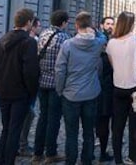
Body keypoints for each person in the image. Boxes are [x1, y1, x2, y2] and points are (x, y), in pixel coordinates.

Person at [0, 8, 40, 165]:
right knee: (15, 129)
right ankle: (8, 161)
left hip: (4, 90)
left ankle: (1, 161)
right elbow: (30, 71)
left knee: (6, 128)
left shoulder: (3, 39)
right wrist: (32, 91)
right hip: (20, 92)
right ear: (29, 22)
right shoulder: (29, 42)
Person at [55, 12, 106, 165]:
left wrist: (60, 89)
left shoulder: (68, 44)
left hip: (71, 94)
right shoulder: (97, 43)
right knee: (89, 133)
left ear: (76, 25)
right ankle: (86, 161)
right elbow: (104, 37)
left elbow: (60, 70)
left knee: (71, 133)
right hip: (91, 93)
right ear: (90, 26)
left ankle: (70, 161)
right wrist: (96, 30)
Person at [105, 11, 136, 165]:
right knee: (135, 126)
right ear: (131, 24)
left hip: (118, 87)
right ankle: (134, 158)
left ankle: (118, 158)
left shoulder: (111, 43)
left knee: (117, 126)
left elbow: (113, 65)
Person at [33, 10, 71, 164]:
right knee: (54, 119)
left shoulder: (42, 34)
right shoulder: (64, 38)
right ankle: (51, 152)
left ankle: (37, 152)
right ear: (63, 22)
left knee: (43, 117)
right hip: (56, 84)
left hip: (42, 82)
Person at [18, 18, 42, 158]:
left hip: (28, 85)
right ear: (31, 26)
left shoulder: (36, 39)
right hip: (28, 85)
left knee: (27, 114)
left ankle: (21, 143)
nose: (40, 28)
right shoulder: (31, 41)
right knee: (28, 114)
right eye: (38, 26)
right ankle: (22, 145)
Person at [96, 17, 115, 163]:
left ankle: (102, 151)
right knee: (99, 121)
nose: (110, 26)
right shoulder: (99, 45)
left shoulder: (114, 43)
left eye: (112, 24)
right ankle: (96, 151)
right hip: (99, 88)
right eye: (107, 24)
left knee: (103, 121)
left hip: (107, 89)